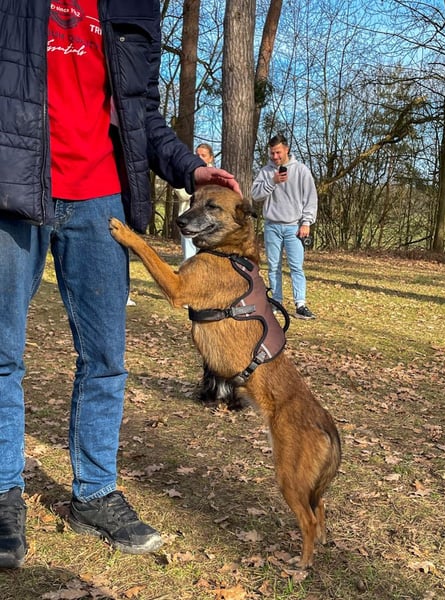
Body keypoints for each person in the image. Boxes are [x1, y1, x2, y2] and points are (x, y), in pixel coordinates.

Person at [0, 0, 241, 569]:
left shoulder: (134, 6)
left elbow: (142, 115)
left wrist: (189, 167)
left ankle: (95, 494)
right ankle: (3, 492)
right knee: (3, 355)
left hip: (101, 199)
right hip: (15, 187)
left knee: (106, 358)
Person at [252, 134, 317, 320]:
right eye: (272, 153)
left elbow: (310, 198)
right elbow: (256, 195)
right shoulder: (266, 172)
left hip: (293, 227)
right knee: (273, 266)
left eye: (278, 152)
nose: (275, 157)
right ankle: (276, 302)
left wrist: (306, 222)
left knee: (296, 267)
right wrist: (272, 181)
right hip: (271, 226)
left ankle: (300, 304)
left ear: (286, 150)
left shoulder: (301, 171)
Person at [175, 143, 215, 260]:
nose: (199, 158)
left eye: (203, 155)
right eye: (197, 155)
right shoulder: (187, 174)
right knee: (189, 257)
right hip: (187, 218)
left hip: (208, 222)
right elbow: (183, 195)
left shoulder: (216, 175)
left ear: (210, 158)